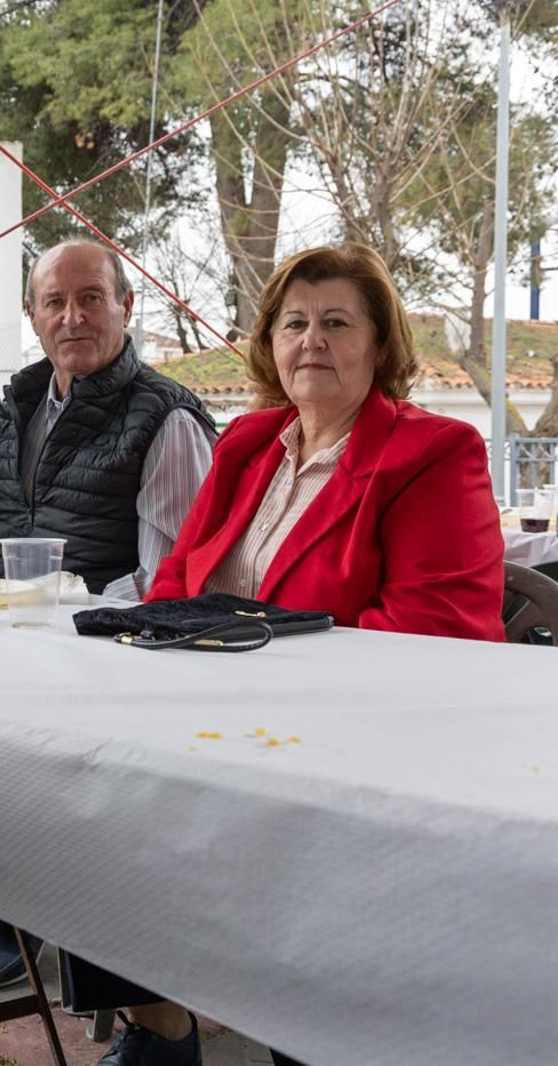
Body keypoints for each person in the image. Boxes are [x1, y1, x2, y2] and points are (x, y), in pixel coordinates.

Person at [78, 242, 504, 1066]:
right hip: (217, 725)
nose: (312, 339)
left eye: (337, 323)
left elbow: (438, 632)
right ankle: (158, 1019)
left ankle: (304, 1035)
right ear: (270, 343)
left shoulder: (432, 453)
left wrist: (239, 656)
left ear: (380, 346)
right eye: (295, 322)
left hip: (351, 744)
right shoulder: (247, 444)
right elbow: (175, 586)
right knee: (84, 777)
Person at [0, 239, 216, 991]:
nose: (72, 317)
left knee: (21, 739)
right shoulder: (13, 405)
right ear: (32, 315)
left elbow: (168, 582)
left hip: (103, 662)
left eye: (91, 299)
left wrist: (59, 613)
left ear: (126, 307)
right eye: (54, 302)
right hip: (5, 640)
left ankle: (12, 910)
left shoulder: (166, 418)